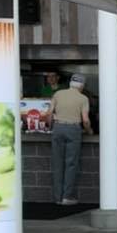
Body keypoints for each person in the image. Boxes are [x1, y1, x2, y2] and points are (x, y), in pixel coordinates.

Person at [49, 73, 91, 206]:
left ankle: (57, 198)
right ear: (82, 86)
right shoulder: (83, 98)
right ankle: (67, 197)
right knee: (71, 164)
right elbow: (85, 119)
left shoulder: (58, 94)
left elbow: (49, 113)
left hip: (58, 128)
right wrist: (89, 131)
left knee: (57, 163)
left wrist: (51, 127)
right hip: (73, 130)